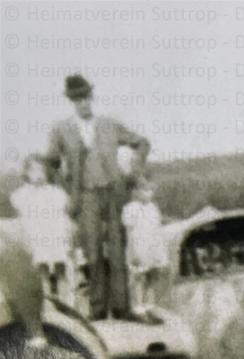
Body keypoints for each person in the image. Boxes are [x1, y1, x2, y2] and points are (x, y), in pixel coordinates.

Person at [44, 74, 150, 321]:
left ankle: (122, 309)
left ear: (92, 98)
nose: (83, 103)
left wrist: (134, 169)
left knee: (116, 250)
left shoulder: (110, 125)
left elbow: (142, 143)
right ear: (72, 102)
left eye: (86, 98)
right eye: (77, 99)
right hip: (86, 197)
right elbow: (50, 162)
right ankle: (98, 310)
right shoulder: (62, 130)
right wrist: (65, 189)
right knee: (92, 252)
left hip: (114, 193)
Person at [9, 154, 77, 306]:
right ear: (26, 173)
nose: (38, 174)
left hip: (55, 237)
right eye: (33, 170)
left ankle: (66, 304)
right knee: (41, 271)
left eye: (41, 170)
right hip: (36, 239)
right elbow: (18, 221)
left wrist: (67, 235)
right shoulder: (21, 195)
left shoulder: (56, 193)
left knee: (61, 269)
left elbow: (64, 216)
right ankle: (46, 305)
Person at [122, 176, 166, 321]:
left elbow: (157, 229)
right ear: (135, 191)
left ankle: (149, 307)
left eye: (151, 190)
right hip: (139, 247)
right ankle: (138, 309)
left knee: (152, 277)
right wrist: (133, 252)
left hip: (152, 248)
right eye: (145, 190)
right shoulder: (130, 208)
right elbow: (129, 232)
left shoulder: (153, 208)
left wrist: (159, 251)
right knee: (138, 279)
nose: (149, 193)